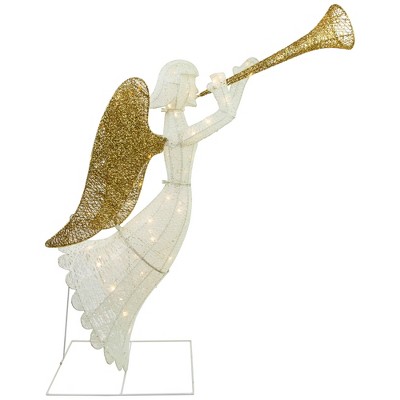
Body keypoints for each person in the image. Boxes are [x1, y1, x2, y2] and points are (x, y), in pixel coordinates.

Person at [59, 58, 257, 371]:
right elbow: (221, 119)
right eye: (191, 82)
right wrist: (232, 93)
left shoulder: (176, 120)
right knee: (144, 262)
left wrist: (241, 83)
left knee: (149, 265)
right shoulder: (174, 124)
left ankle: (118, 316)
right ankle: (110, 307)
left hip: (178, 200)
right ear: (179, 87)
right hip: (173, 202)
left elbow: (224, 116)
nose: (196, 88)